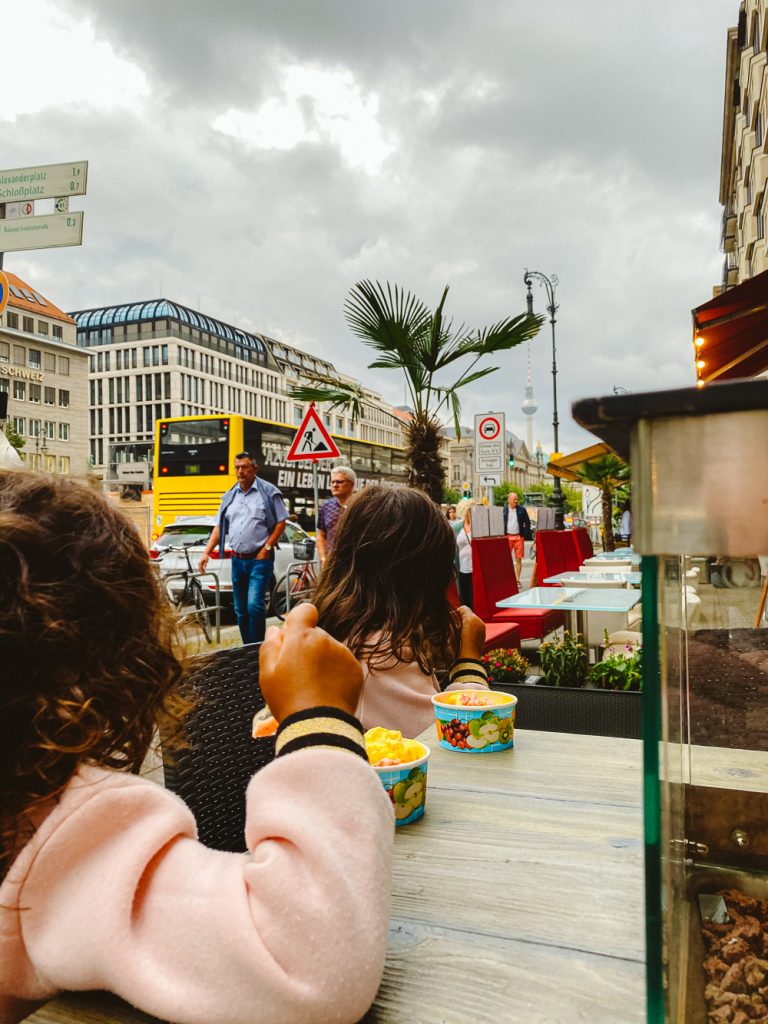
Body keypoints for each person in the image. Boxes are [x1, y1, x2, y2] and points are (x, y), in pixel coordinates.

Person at [0, 470, 394, 1024]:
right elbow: (310, 963)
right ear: (128, 664)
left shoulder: (268, 499)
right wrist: (318, 719)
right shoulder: (58, 833)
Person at [313, 485, 489, 737]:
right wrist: (468, 660)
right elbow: (464, 736)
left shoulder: (354, 631)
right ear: (422, 574)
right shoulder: (380, 654)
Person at [198, 451, 287, 645]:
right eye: (237, 468)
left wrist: (267, 548)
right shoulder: (230, 495)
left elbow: (281, 522)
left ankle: (258, 649)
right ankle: (249, 649)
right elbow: (220, 527)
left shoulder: (268, 492)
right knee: (241, 611)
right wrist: (206, 552)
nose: (240, 472)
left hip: (259, 560)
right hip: (237, 560)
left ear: (254, 469)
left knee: (254, 606)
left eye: (245, 467)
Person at [316, 465, 356, 563]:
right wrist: (323, 558)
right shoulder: (326, 506)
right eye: (332, 482)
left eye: (340, 482)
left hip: (355, 562)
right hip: (332, 563)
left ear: (351, 484)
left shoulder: (361, 505)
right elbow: (321, 536)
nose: (335, 485)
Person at [502, 491, 533, 585]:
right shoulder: (503, 510)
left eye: (517, 499)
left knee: (518, 559)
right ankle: (508, 579)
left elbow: (527, 522)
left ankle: (517, 580)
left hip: (518, 537)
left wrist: (524, 534)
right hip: (507, 537)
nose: (516, 501)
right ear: (509, 500)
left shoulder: (522, 510)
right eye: (514, 499)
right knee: (506, 559)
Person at [455, 504, 474, 609]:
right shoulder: (458, 527)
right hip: (462, 567)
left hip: (475, 567)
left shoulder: (478, 525)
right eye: (470, 510)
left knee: (474, 596)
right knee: (464, 596)